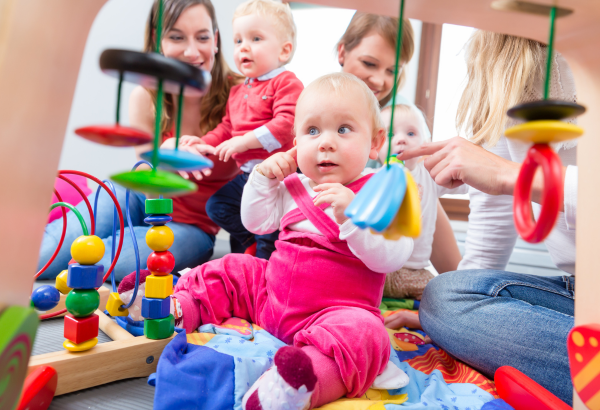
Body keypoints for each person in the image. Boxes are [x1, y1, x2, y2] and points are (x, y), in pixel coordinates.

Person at [122, 73, 414, 409]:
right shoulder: (294, 184)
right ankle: (173, 307)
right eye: (312, 131)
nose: (325, 143)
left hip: (334, 314)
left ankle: (297, 386)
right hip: (271, 297)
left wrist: (354, 216)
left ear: (376, 142)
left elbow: (392, 257)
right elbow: (256, 223)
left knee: (367, 335)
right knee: (234, 268)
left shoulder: (381, 191)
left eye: (344, 129)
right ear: (295, 141)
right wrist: (262, 179)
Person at [396, 31, 578, 405]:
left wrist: (512, 175)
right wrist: (443, 319)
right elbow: (493, 213)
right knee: (443, 295)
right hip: (580, 290)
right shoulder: (501, 68)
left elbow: (501, 178)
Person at [38, 0, 240, 281]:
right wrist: (163, 161)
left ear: (216, 40)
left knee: (96, 266)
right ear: (157, 42)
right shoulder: (146, 98)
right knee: (45, 254)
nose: (192, 51)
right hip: (137, 198)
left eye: (203, 37)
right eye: (176, 37)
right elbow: (147, 190)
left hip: (193, 227)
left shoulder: (242, 94)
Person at [338, 12, 462, 275]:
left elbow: (428, 204)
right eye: (369, 64)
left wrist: (457, 285)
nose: (380, 80)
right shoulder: (319, 104)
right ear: (342, 52)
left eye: (392, 70)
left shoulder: (402, 119)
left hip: (388, 258)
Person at [182, 0, 304, 260]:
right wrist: (203, 143)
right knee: (217, 206)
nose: (244, 47)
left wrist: (244, 142)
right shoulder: (238, 91)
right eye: (238, 41)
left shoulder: (286, 83)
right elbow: (227, 128)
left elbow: (285, 124)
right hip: (248, 175)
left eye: (256, 38)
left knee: (267, 238)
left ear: (284, 51)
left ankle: (262, 265)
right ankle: (250, 242)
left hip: (278, 176)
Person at [368, 104, 468, 300]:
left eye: (411, 133)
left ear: (426, 143)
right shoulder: (370, 179)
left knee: (445, 298)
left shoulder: (430, 175)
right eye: (390, 135)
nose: (401, 139)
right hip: (378, 272)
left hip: (416, 273)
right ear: (375, 146)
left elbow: (469, 183)